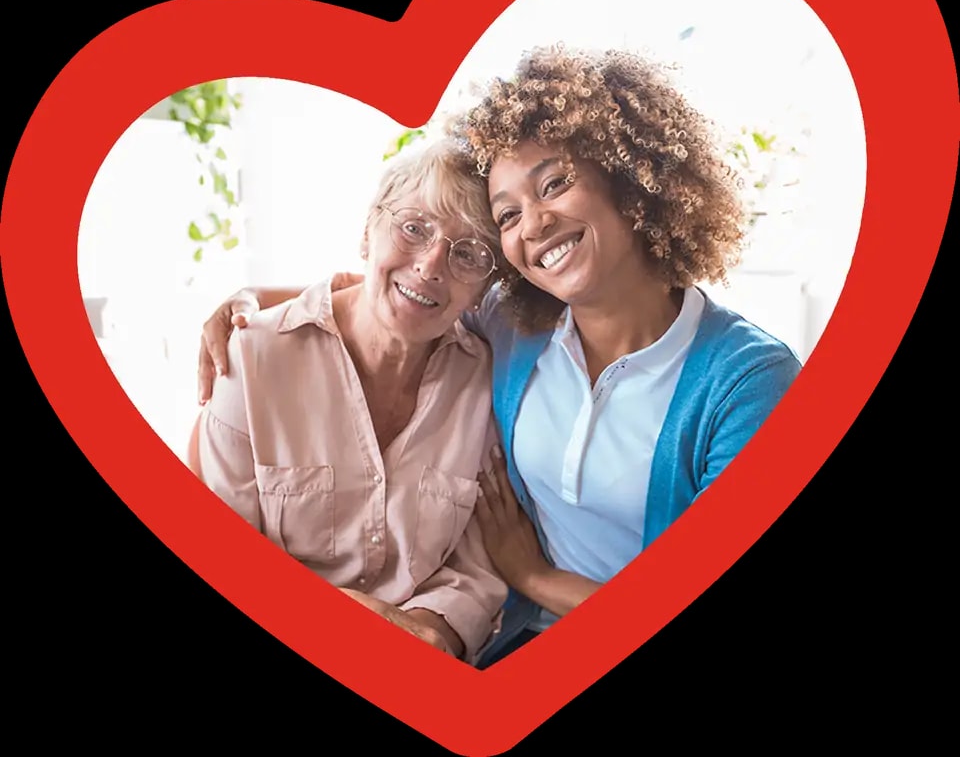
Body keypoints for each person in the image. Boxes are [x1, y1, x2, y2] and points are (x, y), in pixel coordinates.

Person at [197, 46, 802, 666]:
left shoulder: (750, 383)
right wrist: (251, 302)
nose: (534, 224)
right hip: (513, 649)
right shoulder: (518, 330)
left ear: (628, 180)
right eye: (508, 214)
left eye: (555, 184)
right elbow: (398, 290)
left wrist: (533, 577)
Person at [191, 138, 508, 663]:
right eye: (414, 228)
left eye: (469, 253)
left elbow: (475, 566)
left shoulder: (484, 381)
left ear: (485, 288)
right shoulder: (248, 361)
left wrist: (432, 631)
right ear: (367, 232)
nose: (432, 265)